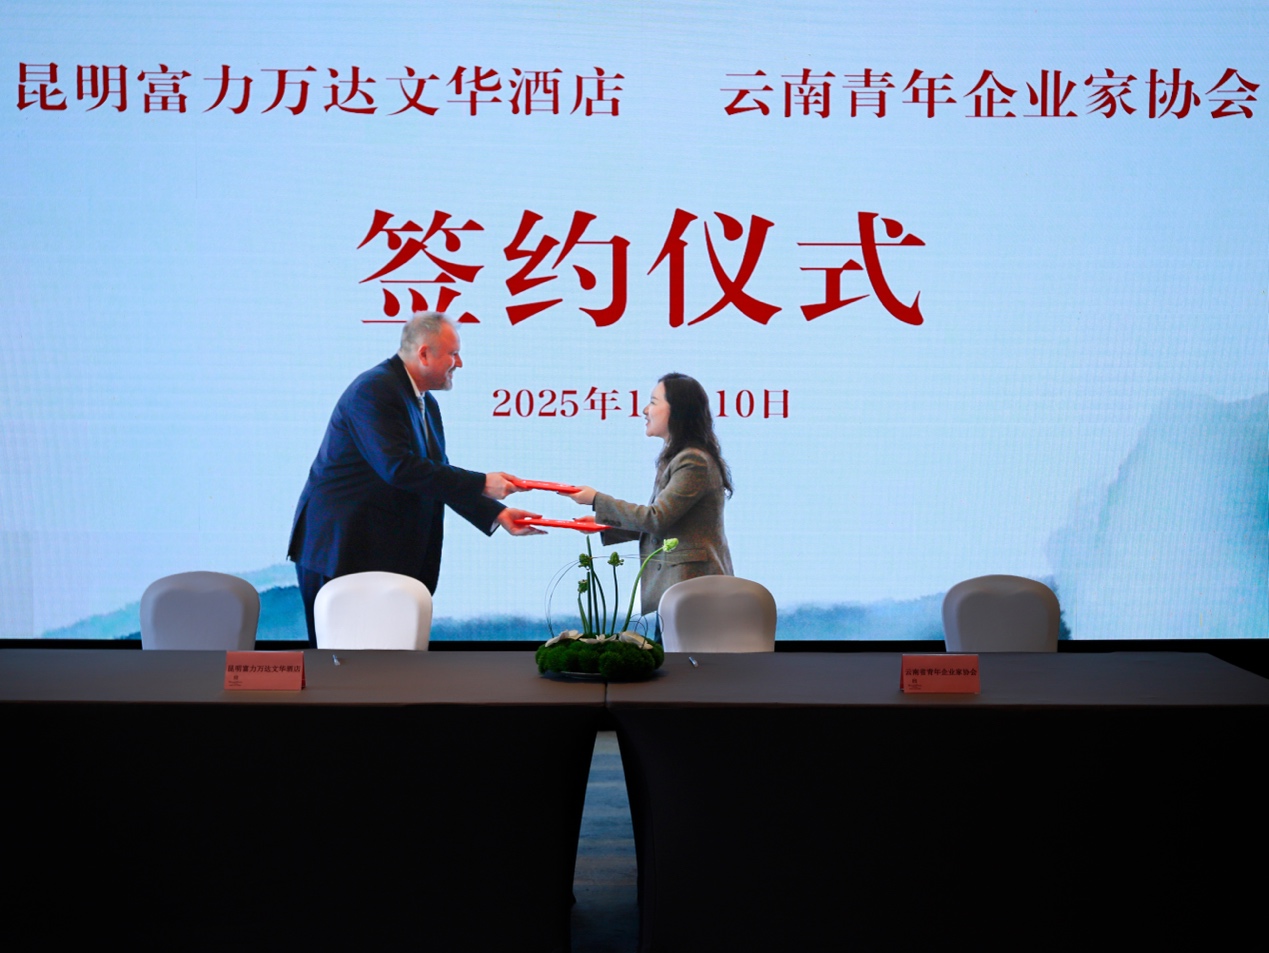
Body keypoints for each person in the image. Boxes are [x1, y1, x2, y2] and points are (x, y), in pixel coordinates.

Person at [288, 312, 543, 645]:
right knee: (343, 666)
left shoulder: (424, 402)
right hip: (344, 552)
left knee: (385, 665)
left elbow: (436, 474)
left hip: (377, 556)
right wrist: (482, 483)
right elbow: (398, 468)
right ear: (424, 354)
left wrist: (496, 514)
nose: (460, 363)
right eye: (453, 354)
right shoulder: (374, 390)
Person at [565, 372, 733, 625]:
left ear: (677, 411)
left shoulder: (693, 461)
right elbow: (666, 524)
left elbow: (656, 519)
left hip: (693, 592)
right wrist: (604, 524)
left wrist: (597, 500)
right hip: (682, 592)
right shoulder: (680, 458)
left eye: (653, 402)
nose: (645, 410)